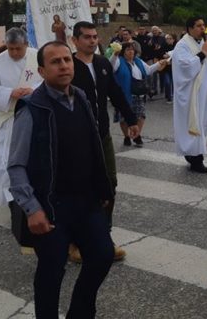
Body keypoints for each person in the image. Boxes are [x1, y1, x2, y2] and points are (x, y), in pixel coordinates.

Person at [7, 41, 114, 319]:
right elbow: (16, 165)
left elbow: (93, 145)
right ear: (42, 70)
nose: (64, 65)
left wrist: (103, 188)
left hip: (87, 202)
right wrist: (33, 208)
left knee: (102, 256)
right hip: (51, 207)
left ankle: (79, 313)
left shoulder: (80, 97)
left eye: (67, 59)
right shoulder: (32, 109)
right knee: (51, 273)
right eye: (55, 62)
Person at [71, 21, 138, 262]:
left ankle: (103, 237)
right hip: (77, 139)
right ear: (75, 40)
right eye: (87, 37)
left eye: (95, 36)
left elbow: (115, 92)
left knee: (109, 185)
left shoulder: (102, 64)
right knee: (81, 190)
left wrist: (131, 119)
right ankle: (75, 242)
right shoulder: (68, 65)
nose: (92, 41)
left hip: (102, 135)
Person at [0, 28, 43, 204]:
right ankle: (11, 200)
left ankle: (34, 195)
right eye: (11, 48)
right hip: (9, 116)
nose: (14, 53)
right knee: (6, 158)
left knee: (33, 155)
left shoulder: (37, 56)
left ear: (26, 44)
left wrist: (34, 91)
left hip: (33, 114)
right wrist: (9, 93)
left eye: (18, 49)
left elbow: (48, 79)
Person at [173, 16, 207, 173]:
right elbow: (185, 67)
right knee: (191, 125)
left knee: (199, 125)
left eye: (203, 25)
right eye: (199, 26)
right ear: (190, 28)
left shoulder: (204, 42)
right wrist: (202, 54)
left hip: (202, 93)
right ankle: (195, 159)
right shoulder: (182, 45)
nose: (203, 29)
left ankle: (193, 155)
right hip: (190, 94)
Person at [111, 41, 167, 146]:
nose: (131, 51)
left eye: (132, 49)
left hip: (138, 94)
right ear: (123, 52)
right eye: (128, 49)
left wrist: (159, 63)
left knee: (141, 116)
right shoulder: (119, 61)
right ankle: (126, 136)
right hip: (123, 95)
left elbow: (149, 70)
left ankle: (136, 135)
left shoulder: (138, 61)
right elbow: (111, 65)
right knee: (124, 119)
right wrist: (115, 54)